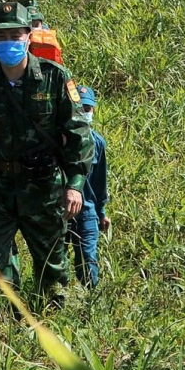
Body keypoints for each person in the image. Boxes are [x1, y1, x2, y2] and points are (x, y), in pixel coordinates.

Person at [0, 2, 93, 295]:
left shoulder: (54, 76)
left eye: (15, 35)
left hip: (43, 186)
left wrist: (74, 185)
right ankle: (2, 327)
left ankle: (54, 322)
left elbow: (78, 135)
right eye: (0, 37)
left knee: (51, 266)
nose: (8, 42)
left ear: (28, 36)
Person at [70, 85, 110, 287]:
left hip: (87, 211)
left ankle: (89, 303)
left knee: (88, 260)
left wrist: (101, 213)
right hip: (60, 211)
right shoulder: (58, 139)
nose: (84, 113)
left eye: (88, 109)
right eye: (80, 108)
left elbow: (99, 182)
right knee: (54, 260)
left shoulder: (97, 143)